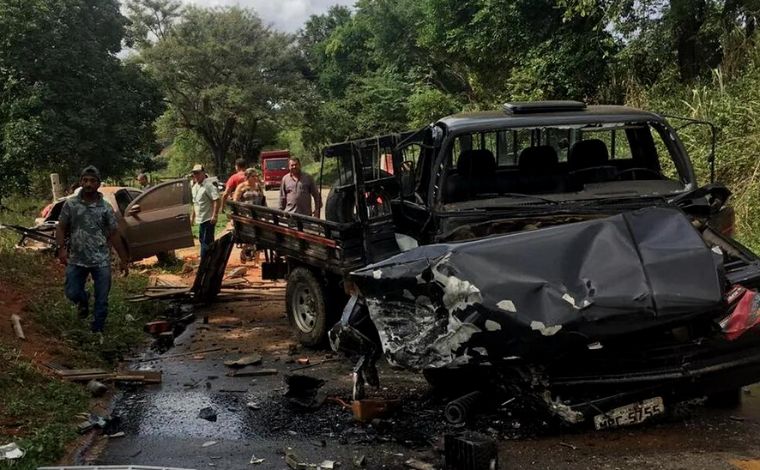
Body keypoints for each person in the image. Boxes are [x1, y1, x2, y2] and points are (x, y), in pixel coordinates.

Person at [55, 165, 129, 333]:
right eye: (85, 180)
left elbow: (114, 234)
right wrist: (61, 249)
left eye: (92, 181)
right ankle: (83, 300)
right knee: (72, 292)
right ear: (81, 182)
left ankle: (97, 332)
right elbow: (61, 227)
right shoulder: (71, 204)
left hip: (101, 260)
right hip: (77, 259)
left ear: (98, 184)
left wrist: (124, 260)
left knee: (102, 299)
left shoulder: (105, 208)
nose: (88, 184)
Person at [233, 168, 266, 265]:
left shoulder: (258, 186)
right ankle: (244, 252)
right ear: (247, 177)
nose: (256, 178)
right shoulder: (241, 187)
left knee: (259, 237)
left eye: (257, 176)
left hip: (258, 216)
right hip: (246, 217)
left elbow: (263, 200)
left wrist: (266, 214)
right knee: (250, 239)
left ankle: (256, 261)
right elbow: (235, 202)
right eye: (253, 176)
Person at [190, 164, 221, 260]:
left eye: (198, 173)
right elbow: (195, 204)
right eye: (194, 173)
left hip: (208, 218)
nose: (196, 175)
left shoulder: (208, 185)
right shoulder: (195, 187)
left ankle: (205, 260)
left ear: (203, 173)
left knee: (206, 242)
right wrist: (192, 217)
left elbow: (216, 199)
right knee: (202, 240)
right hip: (200, 219)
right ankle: (211, 258)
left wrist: (215, 215)